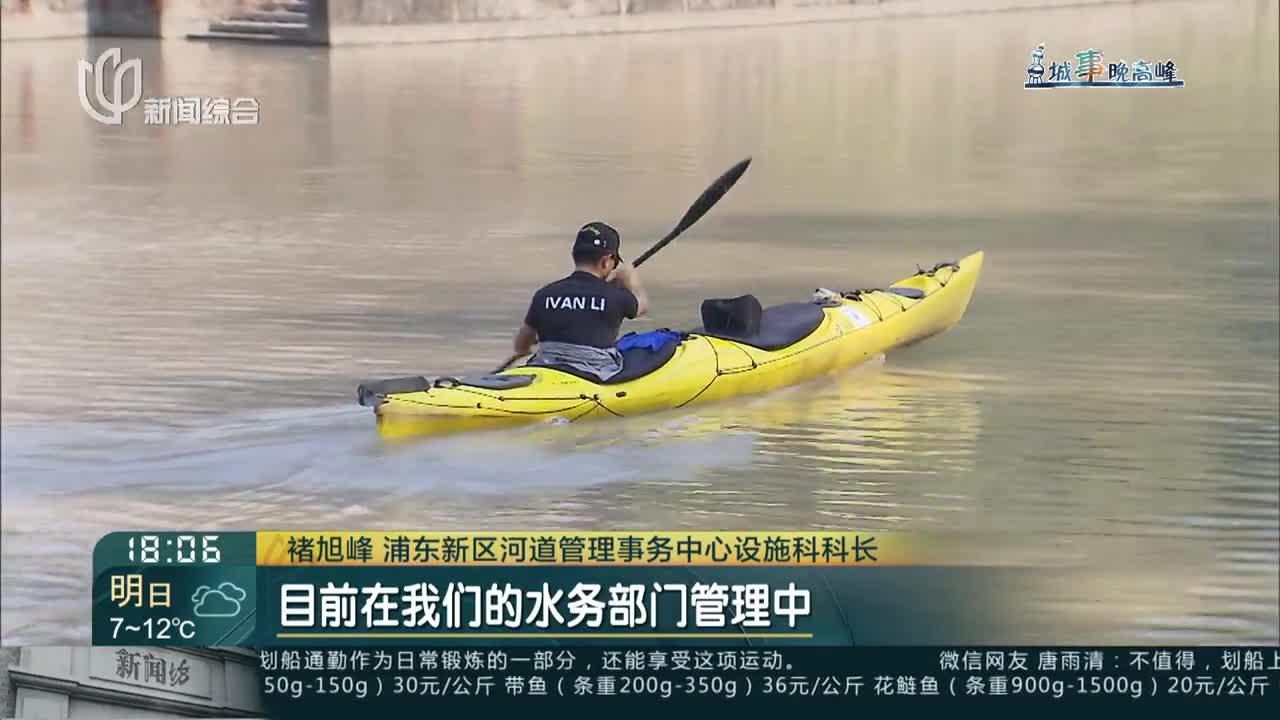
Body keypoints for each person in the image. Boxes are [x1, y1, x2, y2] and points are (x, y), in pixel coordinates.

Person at [514, 222, 649, 381]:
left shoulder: (544, 294)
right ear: (606, 261)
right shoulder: (616, 296)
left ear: (574, 255)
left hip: (546, 369)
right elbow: (643, 306)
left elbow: (521, 346)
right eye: (615, 263)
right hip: (595, 374)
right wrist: (632, 281)